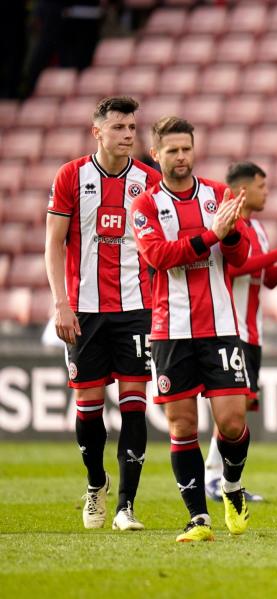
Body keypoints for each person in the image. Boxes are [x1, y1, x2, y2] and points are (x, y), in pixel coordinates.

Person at [131, 116, 254, 542]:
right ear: (156, 154)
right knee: (182, 427)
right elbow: (159, 256)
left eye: (186, 149)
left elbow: (239, 258)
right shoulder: (146, 206)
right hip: (170, 330)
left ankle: (233, 488)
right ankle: (198, 518)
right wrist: (212, 234)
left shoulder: (218, 195)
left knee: (233, 422)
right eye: (172, 151)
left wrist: (232, 234)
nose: (181, 157)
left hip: (219, 325)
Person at [45, 96, 159, 532]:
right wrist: (61, 303)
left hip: (136, 309)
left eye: (132, 127)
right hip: (84, 311)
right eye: (119, 127)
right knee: (89, 405)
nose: (128, 134)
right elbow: (54, 243)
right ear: (98, 132)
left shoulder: (149, 180)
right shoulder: (71, 176)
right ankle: (96, 484)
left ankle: (126, 506)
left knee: (134, 404)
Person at [203, 162, 277, 502]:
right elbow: (238, 267)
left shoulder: (260, 229)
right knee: (232, 407)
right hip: (230, 327)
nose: (267, 192)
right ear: (243, 190)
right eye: (262, 186)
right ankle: (213, 476)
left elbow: (267, 279)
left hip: (252, 332)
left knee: (243, 405)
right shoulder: (231, 223)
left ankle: (223, 476)